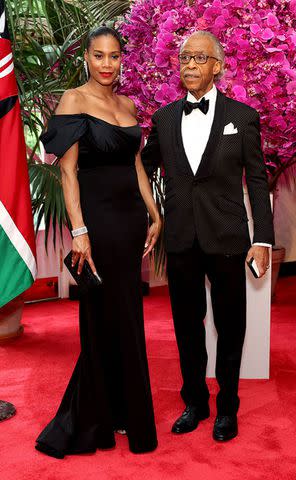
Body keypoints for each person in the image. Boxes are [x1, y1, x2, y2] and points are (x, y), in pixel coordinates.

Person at [141, 31, 275, 442]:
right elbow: (139, 169)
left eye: (200, 58)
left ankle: (227, 408)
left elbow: (256, 179)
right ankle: (195, 402)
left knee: (231, 325)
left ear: (217, 66)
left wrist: (263, 239)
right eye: (184, 58)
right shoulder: (163, 118)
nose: (190, 65)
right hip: (181, 239)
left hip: (229, 238)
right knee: (186, 325)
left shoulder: (243, 116)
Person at [35, 26, 160, 458]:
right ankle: (99, 415)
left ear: (122, 59)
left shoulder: (126, 104)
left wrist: (155, 211)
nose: (107, 64)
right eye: (99, 55)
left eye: (114, 56)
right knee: (103, 314)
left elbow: (137, 167)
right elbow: (68, 172)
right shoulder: (73, 100)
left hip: (129, 222)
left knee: (128, 314)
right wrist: (80, 231)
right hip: (98, 222)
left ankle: (124, 410)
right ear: (86, 57)